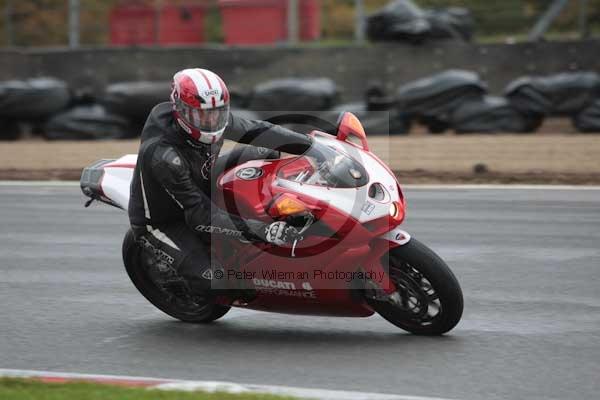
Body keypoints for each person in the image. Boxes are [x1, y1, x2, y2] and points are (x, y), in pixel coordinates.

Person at [128, 68, 312, 300]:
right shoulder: (163, 156)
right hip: (165, 221)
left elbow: (258, 130)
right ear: (180, 111)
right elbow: (199, 217)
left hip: (202, 177)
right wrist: (263, 230)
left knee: (268, 152)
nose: (211, 121)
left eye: (217, 113)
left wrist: (310, 145)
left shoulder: (216, 120)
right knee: (223, 285)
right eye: (201, 115)